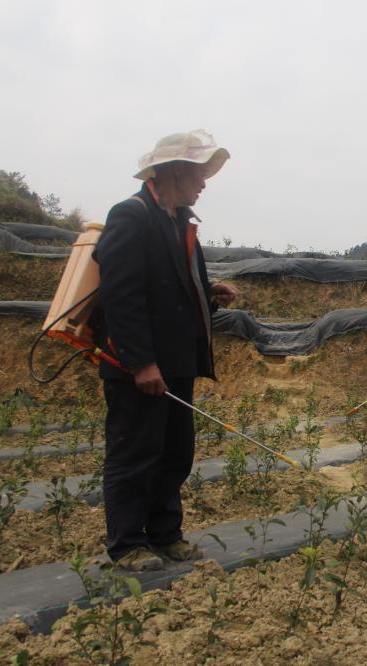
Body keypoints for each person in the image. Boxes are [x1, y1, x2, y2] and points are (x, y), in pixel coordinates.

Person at [94, 130, 239, 571]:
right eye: (200, 171)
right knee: (135, 452)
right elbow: (122, 295)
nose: (205, 181)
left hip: (175, 364)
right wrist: (140, 362)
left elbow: (168, 290)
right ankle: (127, 544)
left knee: (175, 451)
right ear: (176, 170)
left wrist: (208, 293)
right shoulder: (131, 216)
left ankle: (165, 533)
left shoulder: (181, 223)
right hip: (138, 365)